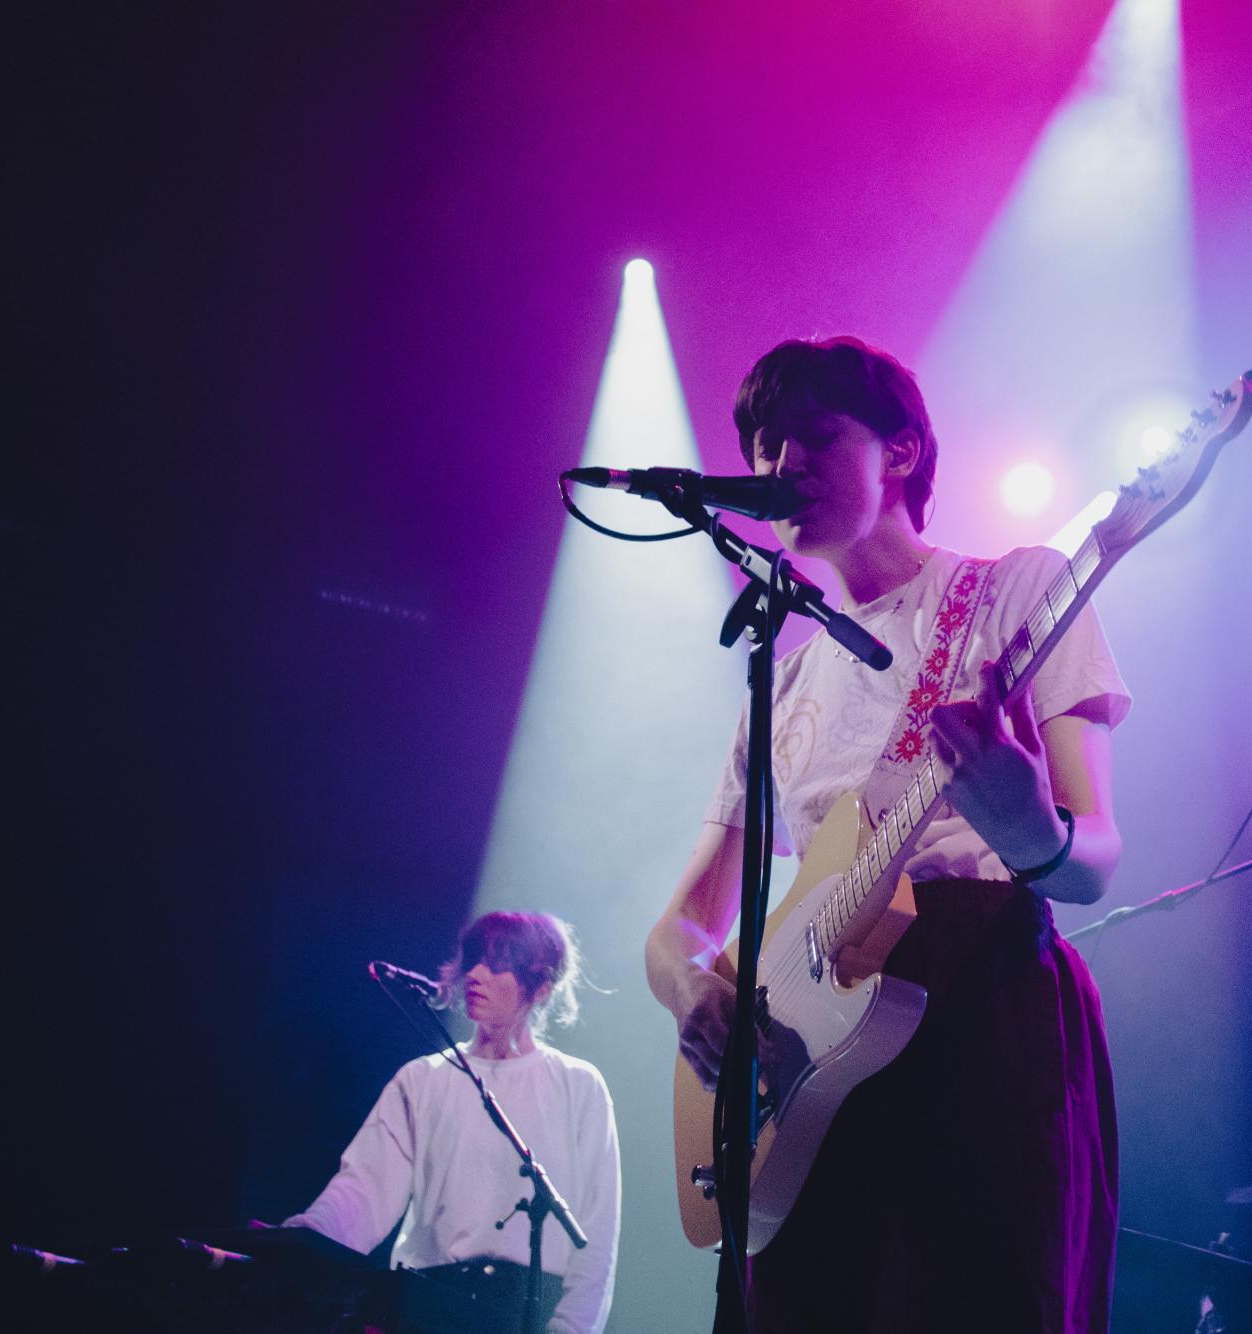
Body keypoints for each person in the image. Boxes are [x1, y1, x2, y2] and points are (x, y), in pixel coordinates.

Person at [645, 336, 1129, 1333]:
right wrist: (697, 990)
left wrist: (1031, 828)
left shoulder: (1015, 590)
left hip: (983, 998)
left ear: (901, 452)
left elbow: (1096, 859)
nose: (783, 468)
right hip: (811, 1053)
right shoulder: (779, 677)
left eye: (816, 437)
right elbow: (683, 921)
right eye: (767, 446)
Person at [288, 911, 620, 1334]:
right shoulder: (422, 1078)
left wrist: (571, 1329)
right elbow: (363, 1191)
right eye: (474, 960)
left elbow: (597, 1233)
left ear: (540, 986)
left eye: (498, 963)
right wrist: (302, 1236)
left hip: (525, 1314)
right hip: (424, 1306)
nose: (476, 974)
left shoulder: (579, 1085)